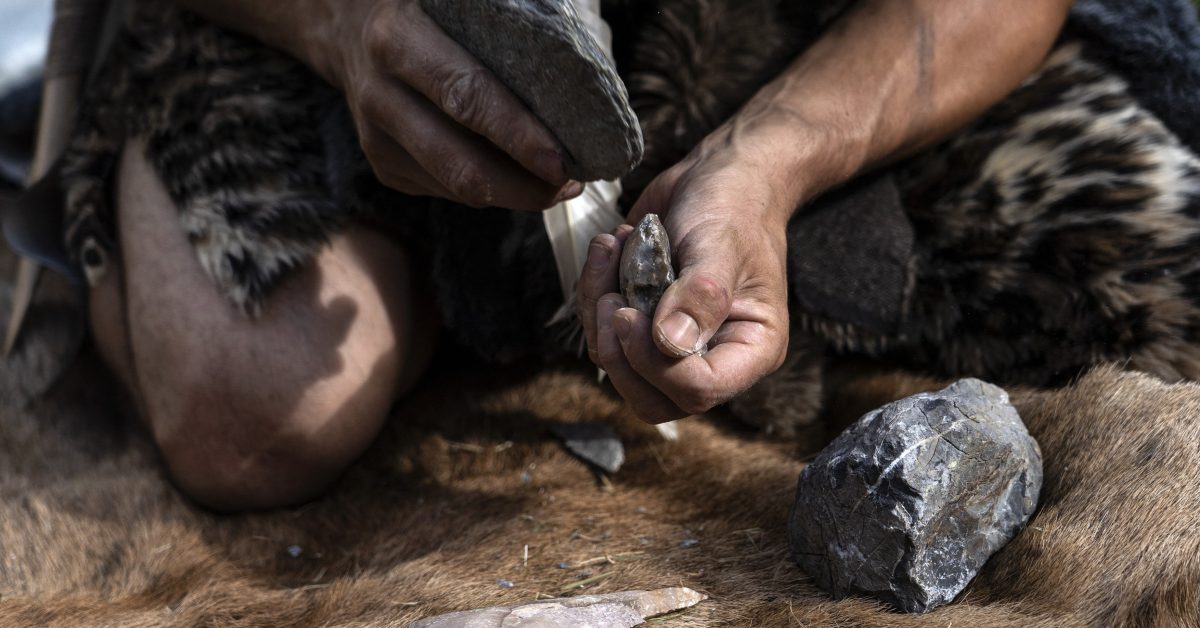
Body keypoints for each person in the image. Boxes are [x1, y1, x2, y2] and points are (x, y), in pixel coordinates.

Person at [73, 0, 1075, 511]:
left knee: (1113, 292)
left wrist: (769, 157)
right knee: (254, 406)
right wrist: (345, 28)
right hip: (334, 24)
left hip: (767, 35)